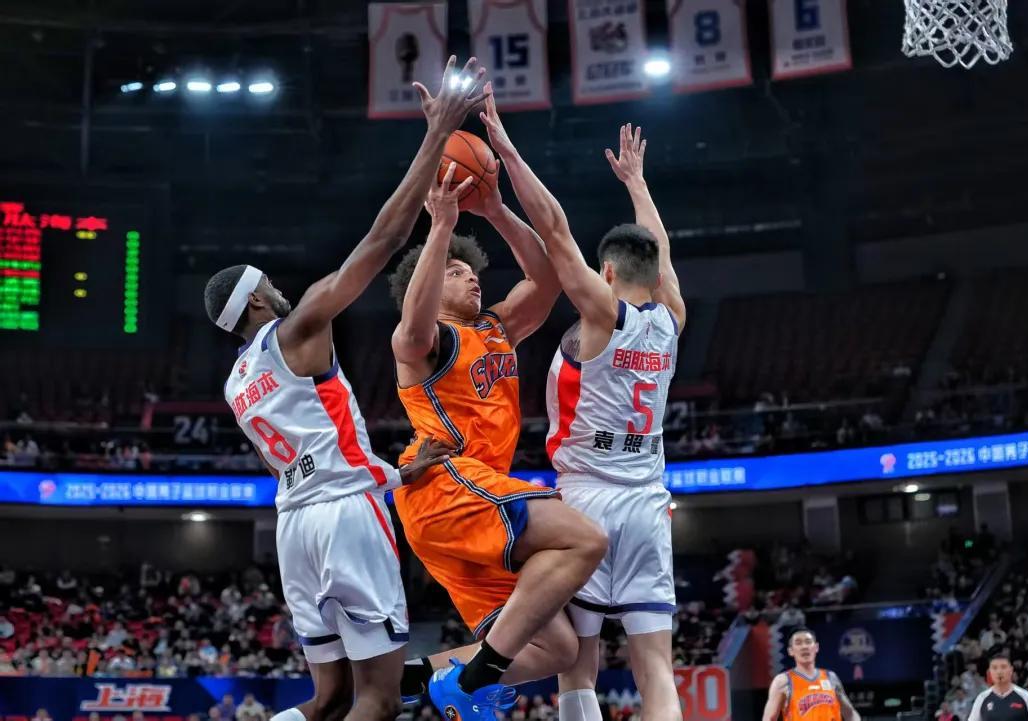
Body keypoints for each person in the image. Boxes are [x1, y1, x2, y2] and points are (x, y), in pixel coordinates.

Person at [204, 55, 487, 721]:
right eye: (268, 283)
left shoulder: (237, 382)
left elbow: (308, 454)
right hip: (345, 521)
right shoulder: (297, 326)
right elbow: (384, 239)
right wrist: (435, 135)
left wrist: (398, 472)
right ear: (257, 299)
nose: (279, 286)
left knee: (328, 698)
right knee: (380, 700)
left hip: (295, 528)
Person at [389, 90, 607, 720]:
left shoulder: (497, 327)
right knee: (584, 540)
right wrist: (441, 230)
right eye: (458, 273)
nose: (472, 277)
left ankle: (408, 681)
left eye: (471, 271)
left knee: (557, 648)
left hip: (472, 501)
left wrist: (494, 208)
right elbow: (411, 329)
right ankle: (470, 684)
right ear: (430, 283)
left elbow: (547, 279)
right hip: (444, 485)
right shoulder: (425, 343)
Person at [479, 106, 685, 721]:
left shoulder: (603, 314)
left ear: (608, 272)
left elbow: (554, 230)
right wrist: (638, 185)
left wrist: (507, 150)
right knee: (656, 669)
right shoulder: (672, 319)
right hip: (648, 500)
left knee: (578, 666)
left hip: (586, 501)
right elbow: (661, 253)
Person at [762, 628, 862, 721]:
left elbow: (850, 713)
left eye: (808, 642)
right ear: (791, 651)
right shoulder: (783, 681)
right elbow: (769, 718)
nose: (804, 647)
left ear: (816, 647)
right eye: (798, 643)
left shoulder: (831, 677)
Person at [968, 652, 1028, 721]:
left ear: (1011, 670)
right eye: (995, 668)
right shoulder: (982, 698)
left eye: (1003, 667)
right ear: (989, 672)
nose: (999, 672)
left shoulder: (1024, 696)